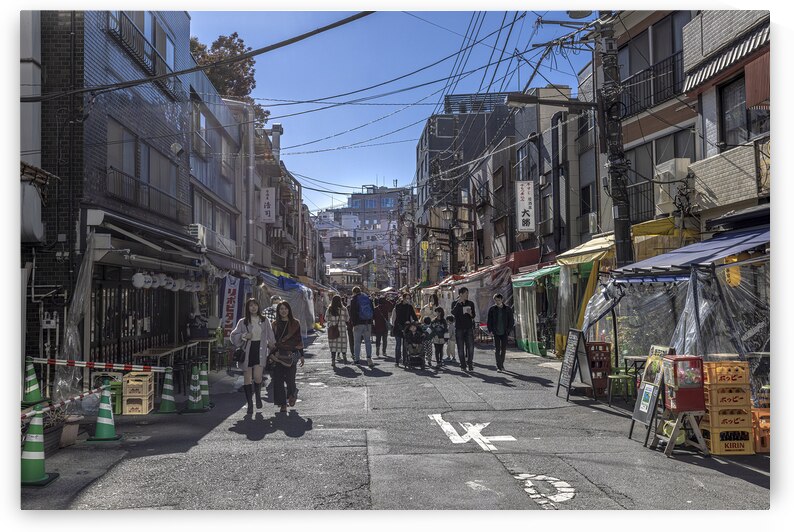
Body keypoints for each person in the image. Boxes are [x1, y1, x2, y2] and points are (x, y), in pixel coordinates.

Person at [230, 298, 276, 415]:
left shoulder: (264, 320)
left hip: (260, 350)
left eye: (255, 305)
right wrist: (244, 335)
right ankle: (250, 403)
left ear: (258, 307)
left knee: (258, 376)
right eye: (251, 305)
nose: (253, 307)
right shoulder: (243, 321)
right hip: (247, 351)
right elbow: (233, 335)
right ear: (247, 308)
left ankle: (258, 396)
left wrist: (273, 347)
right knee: (247, 378)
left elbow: (270, 336)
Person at [269, 301, 305, 413]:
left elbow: (299, 339)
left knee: (290, 379)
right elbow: (272, 340)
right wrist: (271, 354)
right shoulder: (274, 324)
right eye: (281, 309)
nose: (283, 311)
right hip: (278, 355)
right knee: (278, 380)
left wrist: (302, 355)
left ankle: (291, 395)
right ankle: (282, 404)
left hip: (291, 354)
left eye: (285, 308)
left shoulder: (295, 323)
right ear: (278, 311)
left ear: (289, 310)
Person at [487, 293, 515, 372]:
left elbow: (511, 321)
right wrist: (490, 330)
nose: (497, 302)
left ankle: (501, 364)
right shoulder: (492, 309)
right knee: (497, 349)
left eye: (498, 300)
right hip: (496, 332)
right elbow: (489, 321)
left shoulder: (507, 309)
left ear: (502, 300)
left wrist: (508, 330)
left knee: (503, 349)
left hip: (504, 332)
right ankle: (499, 366)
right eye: (496, 300)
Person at [451, 287, 476, 372]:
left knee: (471, 347)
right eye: (465, 293)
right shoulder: (455, 303)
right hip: (459, 328)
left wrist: (470, 313)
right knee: (460, 348)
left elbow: (474, 316)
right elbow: (453, 313)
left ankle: (470, 364)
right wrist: (458, 304)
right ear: (460, 294)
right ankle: (463, 365)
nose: (467, 295)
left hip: (469, 327)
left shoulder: (471, 303)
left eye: (467, 293)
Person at [349, 286, 375, 368]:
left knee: (357, 342)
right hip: (367, 323)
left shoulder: (354, 299)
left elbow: (352, 312)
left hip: (358, 324)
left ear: (353, 292)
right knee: (367, 341)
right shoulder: (367, 298)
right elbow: (372, 310)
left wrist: (353, 323)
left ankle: (357, 360)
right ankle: (369, 358)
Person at [390, 291, 418, 367]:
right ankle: (397, 360)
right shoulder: (398, 306)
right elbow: (398, 317)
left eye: (409, 298)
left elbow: (414, 316)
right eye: (407, 298)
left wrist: (416, 321)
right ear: (403, 298)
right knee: (398, 345)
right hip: (398, 327)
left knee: (405, 345)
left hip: (406, 328)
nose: (408, 300)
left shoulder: (410, 306)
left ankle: (405, 360)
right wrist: (405, 322)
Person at [325, 295, 349, 367]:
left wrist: (331, 321)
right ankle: (344, 356)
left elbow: (326, 318)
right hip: (342, 330)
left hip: (332, 330)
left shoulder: (329, 309)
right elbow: (347, 319)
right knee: (343, 343)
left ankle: (333, 360)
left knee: (333, 345)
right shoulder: (344, 309)